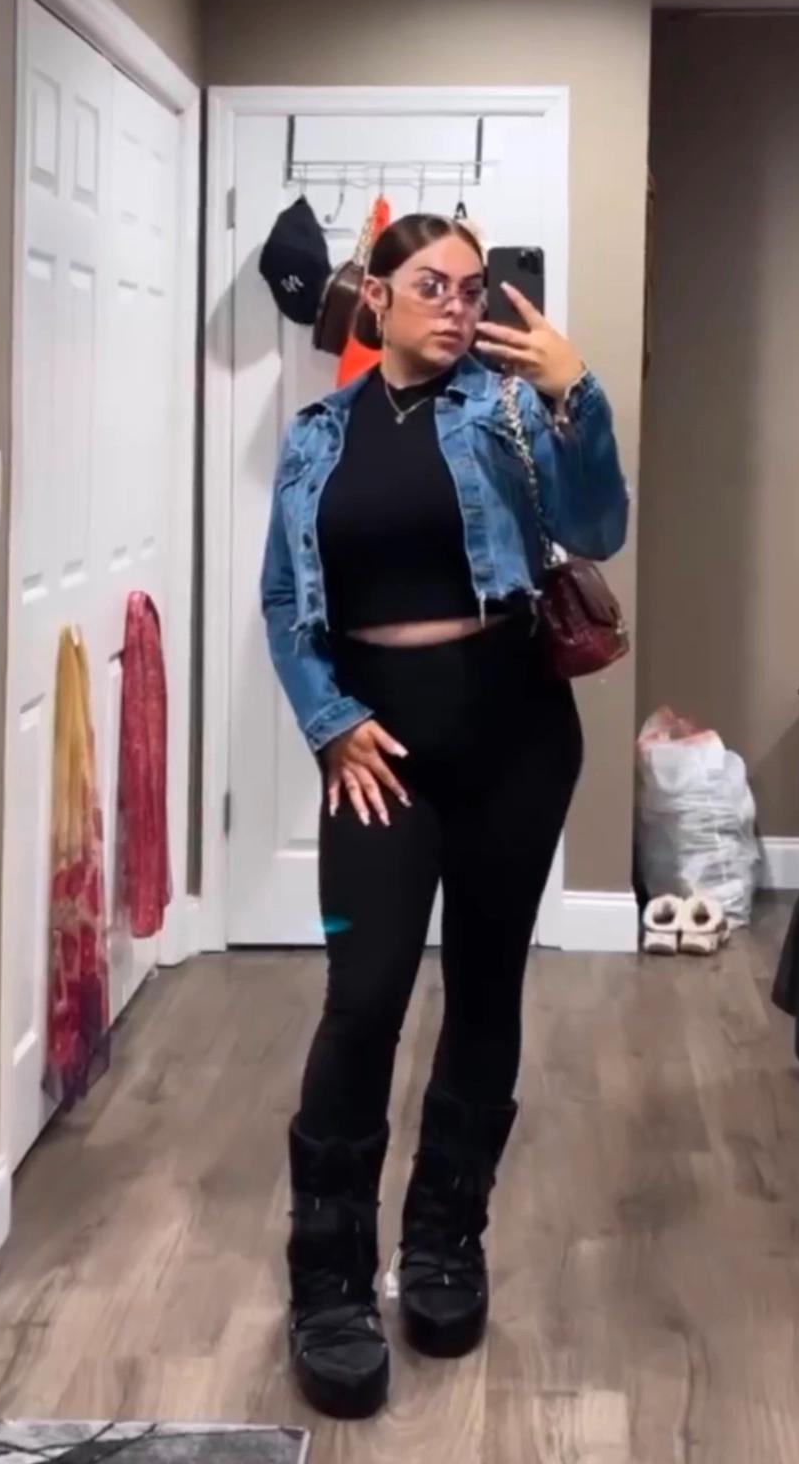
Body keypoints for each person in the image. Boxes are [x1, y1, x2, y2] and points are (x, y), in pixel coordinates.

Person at [261, 213, 628, 1419]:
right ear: (373, 294)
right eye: (432, 284)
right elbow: (284, 602)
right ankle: (327, 1280)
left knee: (483, 988)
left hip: (516, 738)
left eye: (472, 288)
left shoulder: (509, 410)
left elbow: (596, 527)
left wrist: (576, 395)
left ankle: (442, 1241)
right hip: (379, 758)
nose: (459, 306)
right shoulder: (316, 436)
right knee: (362, 996)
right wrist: (328, 721)